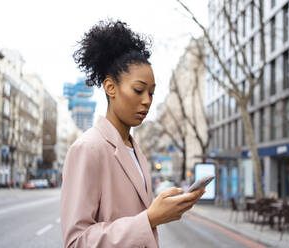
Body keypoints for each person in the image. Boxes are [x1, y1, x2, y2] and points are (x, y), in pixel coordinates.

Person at [60, 20, 205, 248]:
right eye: (138, 90)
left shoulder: (137, 151)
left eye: (151, 93)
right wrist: (150, 218)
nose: (147, 101)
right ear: (110, 87)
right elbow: (76, 242)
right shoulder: (88, 148)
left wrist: (164, 209)